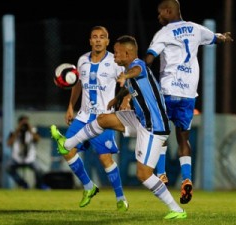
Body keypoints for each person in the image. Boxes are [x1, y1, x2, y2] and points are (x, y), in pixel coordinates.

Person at [51, 35, 187, 219]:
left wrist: (126, 75)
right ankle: (67, 144)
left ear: (127, 53)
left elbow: (138, 71)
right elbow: (131, 85)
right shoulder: (127, 68)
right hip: (139, 118)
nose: (113, 56)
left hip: (153, 127)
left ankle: (176, 210)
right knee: (103, 120)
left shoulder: (137, 65)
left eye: (116, 52)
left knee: (144, 175)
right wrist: (118, 97)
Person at [144, 0, 233, 204]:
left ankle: (162, 173)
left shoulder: (164, 33)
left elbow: (150, 57)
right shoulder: (196, 29)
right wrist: (225, 38)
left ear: (168, 11)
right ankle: (187, 179)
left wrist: (139, 68)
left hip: (167, 91)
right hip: (188, 95)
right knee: (183, 139)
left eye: (160, 13)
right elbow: (216, 38)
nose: (158, 17)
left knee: (160, 132)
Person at [52, 26, 128, 211]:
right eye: (94, 37)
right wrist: (71, 106)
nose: (98, 40)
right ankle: (88, 186)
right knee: (66, 149)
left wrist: (125, 98)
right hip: (84, 115)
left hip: (103, 117)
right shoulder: (82, 61)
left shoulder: (114, 61)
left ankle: (120, 197)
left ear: (108, 41)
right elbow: (78, 84)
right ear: (90, 41)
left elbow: (128, 81)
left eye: (102, 37)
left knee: (105, 158)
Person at [6, 115, 45, 189]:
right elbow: (9, 143)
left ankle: (39, 185)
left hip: (30, 159)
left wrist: (30, 128)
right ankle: (23, 184)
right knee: (8, 168)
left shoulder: (33, 130)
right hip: (17, 159)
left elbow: (37, 139)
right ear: (19, 123)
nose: (24, 125)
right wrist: (18, 130)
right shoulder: (14, 132)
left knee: (39, 170)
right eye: (22, 123)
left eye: (26, 123)